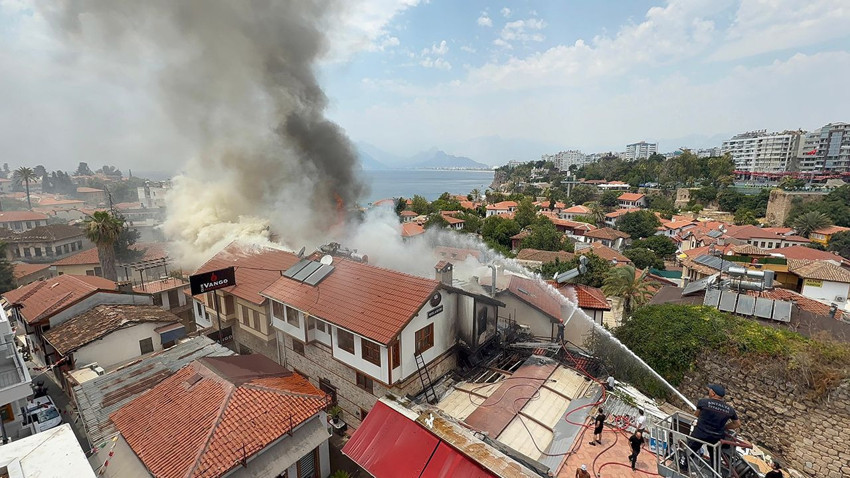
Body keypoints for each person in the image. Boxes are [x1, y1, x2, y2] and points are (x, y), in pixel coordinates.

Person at [687, 384, 740, 465]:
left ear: (713, 393)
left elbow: (696, 415)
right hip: (716, 437)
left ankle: (683, 466)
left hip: (700, 434)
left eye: (710, 390)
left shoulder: (703, 402)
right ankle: (715, 473)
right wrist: (724, 427)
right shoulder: (730, 410)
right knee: (715, 457)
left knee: (689, 450)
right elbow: (737, 424)